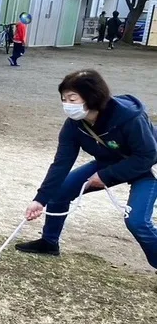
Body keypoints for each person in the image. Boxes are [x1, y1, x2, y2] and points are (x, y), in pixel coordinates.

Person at [15, 69, 157, 271]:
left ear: (92, 97)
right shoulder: (74, 125)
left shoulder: (129, 117)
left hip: (148, 166)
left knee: (137, 222)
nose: (67, 104)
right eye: (64, 99)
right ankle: (48, 243)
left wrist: (106, 176)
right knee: (60, 193)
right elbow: (61, 163)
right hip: (110, 161)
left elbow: (146, 155)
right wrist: (40, 199)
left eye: (73, 98)